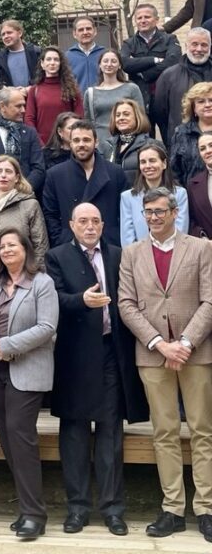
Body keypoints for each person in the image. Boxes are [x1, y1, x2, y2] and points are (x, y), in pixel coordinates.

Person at [46, 204, 148, 537]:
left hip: (109, 354)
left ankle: (112, 509)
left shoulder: (119, 255)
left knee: (109, 434)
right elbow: (52, 300)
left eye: (95, 221)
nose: (90, 227)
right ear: (72, 225)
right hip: (74, 358)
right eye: (83, 221)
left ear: (103, 225)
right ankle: (77, 508)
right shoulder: (57, 256)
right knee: (74, 435)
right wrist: (80, 301)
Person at [118, 188, 212, 541]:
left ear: (175, 212)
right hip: (153, 354)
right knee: (165, 432)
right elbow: (126, 305)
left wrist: (185, 343)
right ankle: (173, 508)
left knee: (203, 431)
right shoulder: (131, 254)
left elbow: (210, 299)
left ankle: (207, 507)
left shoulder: (202, 248)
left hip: (196, 352)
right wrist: (160, 344)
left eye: (160, 211)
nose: (154, 218)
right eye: (148, 213)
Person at [0, 228, 58, 539]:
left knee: (21, 439)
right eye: (2, 246)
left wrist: (7, 345)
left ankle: (35, 514)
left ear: (26, 249)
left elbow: (47, 327)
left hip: (28, 370)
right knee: (7, 441)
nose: (7, 249)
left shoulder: (42, 283)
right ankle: (27, 507)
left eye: (13, 244)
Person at [42, 121, 128, 246]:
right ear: (70, 143)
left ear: (96, 142)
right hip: (71, 245)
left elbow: (125, 213)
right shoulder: (55, 175)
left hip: (108, 246)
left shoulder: (115, 172)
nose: (81, 144)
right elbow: (50, 214)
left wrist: (114, 238)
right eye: (76, 140)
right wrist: (62, 239)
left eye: (86, 140)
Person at [120, 4, 181, 139]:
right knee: (145, 143)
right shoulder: (129, 43)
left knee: (172, 141)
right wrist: (154, 60)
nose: (143, 20)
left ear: (156, 20)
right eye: (139, 18)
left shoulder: (170, 39)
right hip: (141, 100)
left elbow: (173, 62)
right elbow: (124, 63)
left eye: (147, 17)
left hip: (166, 99)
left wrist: (145, 73)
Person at [121, 141, 189, 245]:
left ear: (164, 164)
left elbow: (181, 231)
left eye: (152, 161)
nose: (147, 166)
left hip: (174, 255)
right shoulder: (128, 197)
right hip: (140, 258)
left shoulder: (180, 194)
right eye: (143, 162)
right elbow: (127, 238)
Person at [153, 27, 212, 145]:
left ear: (210, 47)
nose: (199, 49)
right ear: (186, 46)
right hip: (182, 143)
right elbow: (160, 113)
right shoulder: (168, 76)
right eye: (194, 44)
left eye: (204, 45)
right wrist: (172, 138)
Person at [24, 46, 84, 145]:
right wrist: (38, 142)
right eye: (48, 59)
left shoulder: (72, 89)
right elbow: (29, 119)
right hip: (43, 145)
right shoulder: (34, 90)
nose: (52, 63)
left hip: (67, 144)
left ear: (60, 64)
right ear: (42, 64)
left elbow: (79, 116)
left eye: (56, 59)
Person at [83, 50, 143, 147]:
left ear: (119, 65)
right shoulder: (90, 93)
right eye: (105, 61)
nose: (109, 64)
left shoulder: (132, 89)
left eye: (113, 61)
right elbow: (87, 123)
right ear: (100, 65)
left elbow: (141, 118)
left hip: (127, 142)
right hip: (100, 144)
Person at [170, 80, 212, 186]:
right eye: (201, 101)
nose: (207, 105)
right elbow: (174, 172)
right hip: (191, 195)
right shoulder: (181, 133)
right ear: (193, 108)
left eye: (211, 100)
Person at [105, 99, 153, 185]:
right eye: (118, 115)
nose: (121, 118)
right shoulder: (106, 146)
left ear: (137, 117)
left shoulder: (151, 145)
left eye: (126, 114)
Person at [0, 19, 41, 88]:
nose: (6, 36)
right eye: (3, 34)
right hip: (11, 97)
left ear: (20, 33)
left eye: (9, 33)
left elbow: (43, 75)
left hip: (34, 95)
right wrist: (5, 88)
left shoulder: (36, 53)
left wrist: (29, 89)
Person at [65, 16, 106, 94]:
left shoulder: (105, 54)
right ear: (74, 34)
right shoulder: (67, 57)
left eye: (88, 28)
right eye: (81, 30)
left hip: (102, 101)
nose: (85, 32)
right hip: (77, 103)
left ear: (95, 31)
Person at [188, 131, 212, 237]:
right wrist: (202, 237)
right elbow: (192, 220)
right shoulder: (193, 184)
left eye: (211, 145)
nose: (208, 151)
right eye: (202, 149)